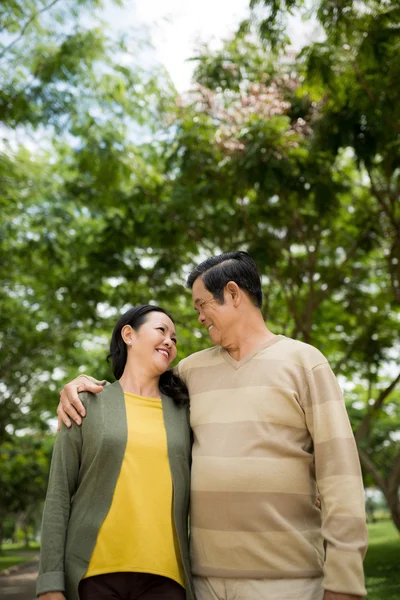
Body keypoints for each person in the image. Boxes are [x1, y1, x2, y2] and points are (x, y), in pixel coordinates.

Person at [58, 252, 368, 600]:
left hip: (289, 580)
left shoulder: (305, 363)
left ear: (234, 294)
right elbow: (133, 388)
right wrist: (79, 386)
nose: (200, 317)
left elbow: (340, 477)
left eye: (202, 305)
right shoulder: (190, 372)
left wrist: (344, 582)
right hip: (203, 583)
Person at [38, 305, 195, 600]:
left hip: (166, 580)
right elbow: (58, 495)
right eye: (161, 330)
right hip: (94, 577)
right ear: (128, 335)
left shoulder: (184, 410)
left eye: (175, 339)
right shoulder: (85, 403)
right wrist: (49, 582)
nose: (170, 342)